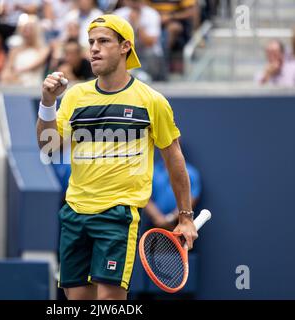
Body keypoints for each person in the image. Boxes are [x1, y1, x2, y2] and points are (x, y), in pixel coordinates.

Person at [36, 14, 197, 300]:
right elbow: (48, 147)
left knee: (109, 301)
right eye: (91, 42)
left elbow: (174, 161)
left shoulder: (152, 101)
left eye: (103, 41)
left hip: (117, 215)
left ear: (125, 47)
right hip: (74, 213)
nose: (94, 49)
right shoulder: (75, 97)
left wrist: (185, 218)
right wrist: (48, 104)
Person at [145, 152, 201, 230]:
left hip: (181, 226)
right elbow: (146, 197)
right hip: (154, 226)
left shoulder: (191, 172)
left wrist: (171, 218)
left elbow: (193, 198)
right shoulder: (153, 171)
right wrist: (159, 218)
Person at [114, 0, 166, 80]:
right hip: (126, 51)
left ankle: (147, 78)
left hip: (147, 54)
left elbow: (150, 42)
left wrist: (136, 25)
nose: (135, 2)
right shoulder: (118, 14)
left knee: (150, 53)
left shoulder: (152, 14)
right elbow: (115, 41)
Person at [0, 14, 49, 86]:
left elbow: (35, 66)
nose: (27, 31)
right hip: (15, 81)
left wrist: (17, 72)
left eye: (30, 28)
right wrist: (6, 74)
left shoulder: (43, 49)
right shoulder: (15, 50)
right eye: (25, 28)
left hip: (33, 83)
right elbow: (8, 67)